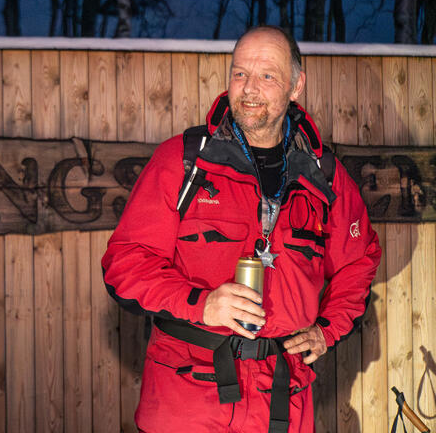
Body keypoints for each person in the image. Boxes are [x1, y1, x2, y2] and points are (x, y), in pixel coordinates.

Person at [102, 25, 381, 432]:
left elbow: (359, 263)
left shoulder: (326, 177)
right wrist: (201, 303)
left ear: (296, 85)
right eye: (240, 73)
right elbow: (125, 265)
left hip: (281, 407)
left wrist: (326, 330)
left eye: (267, 75)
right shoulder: (182, 162)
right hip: (186, 404)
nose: (249, 88)